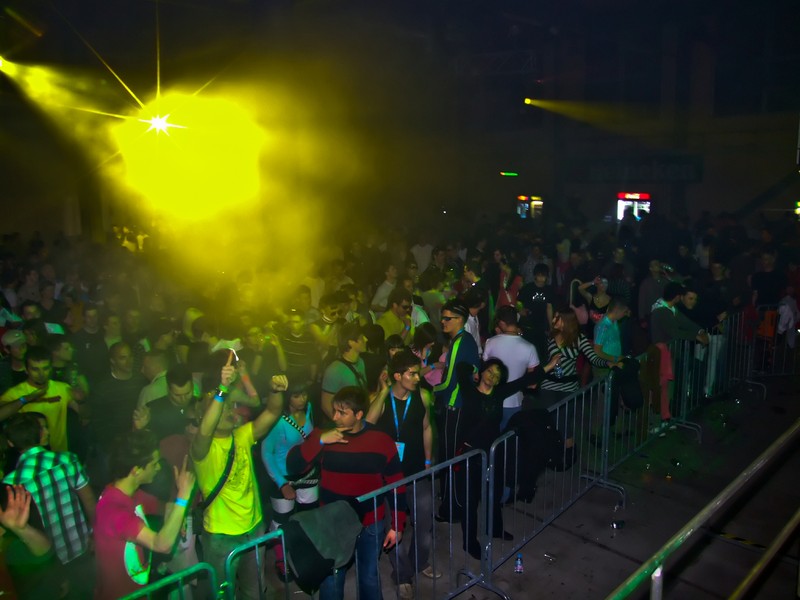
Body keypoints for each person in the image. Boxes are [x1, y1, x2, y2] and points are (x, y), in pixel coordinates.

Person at [287, 386, 407, 600]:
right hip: (332, 524)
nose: (335, 417)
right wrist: (320, 440)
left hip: (370, 523)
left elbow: (396, 484)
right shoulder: (324, 435)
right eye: (334, 411)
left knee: (369, 576)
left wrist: (397, 525)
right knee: (331, 580)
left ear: (359, 414)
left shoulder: (381, 440)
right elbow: (294, 466)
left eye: (342, 413)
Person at [191, 356, 285, 599]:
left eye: (228, 406)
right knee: (223, 594)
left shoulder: (242, 435)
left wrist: (275, 391)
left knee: (255, 591)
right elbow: (205, 430)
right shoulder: (202, 449)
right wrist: (221, 390)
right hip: (221, 536)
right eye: (220, 407)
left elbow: (273, 411)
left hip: (253, 528)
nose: (228, 410)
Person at [454, 356, 559, 558]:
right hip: (470, 455)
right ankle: (469, 541)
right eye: (490, 371)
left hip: (492, 453)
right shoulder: (469, 391)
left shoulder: (499, 394)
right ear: (482, 372)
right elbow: (460, 367)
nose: (492, 377)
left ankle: (495, 528)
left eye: (496, 375)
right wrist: (473, 369)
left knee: (493, 493)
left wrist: (548, 366)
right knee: (471, 499)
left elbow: (524, 381)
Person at [367, 350, 437, 597]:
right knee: (393, 527)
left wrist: (428, 460)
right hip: (388, 476)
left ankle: (419, 561)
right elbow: (367, 424)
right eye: (412, 374)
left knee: (425, 522)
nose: (418, 378)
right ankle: (402, 575)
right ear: (397, 376)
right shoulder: (382, 400)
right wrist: (383, 391)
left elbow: (426, 428)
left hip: (417, 472)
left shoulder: (423, 396)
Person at [3, 412, 96, 596]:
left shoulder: (11, 483)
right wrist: (95, 533)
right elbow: (89, 500)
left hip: (51, 562)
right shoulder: (67, 460)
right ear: (40, 433)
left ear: (10, 443)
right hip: (82, 546)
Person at [93, 431, 195, 600]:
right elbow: (161, 544)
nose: (158, 468)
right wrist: (183, 496)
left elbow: (159, 506)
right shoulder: (114, 511)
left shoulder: (127, 492)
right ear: (136, 471)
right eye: (154, 464)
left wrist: (176, 511)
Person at [261, 382, 319, 578]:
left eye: (304, 394)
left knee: (308, 517)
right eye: (296, 395)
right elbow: (266, 453)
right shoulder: (277, 420)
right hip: (282, 475)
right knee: (281, 521)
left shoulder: (309, 408)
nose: (302, 399)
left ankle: (305, 555)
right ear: (287, 398)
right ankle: (280, 559)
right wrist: (282, 484)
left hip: (307, 474)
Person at [432, 299, 480, 520]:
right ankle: (453, 503)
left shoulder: (461, 342)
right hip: (461, 406)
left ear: (460, 319)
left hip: (454, 407)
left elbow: (449, 380)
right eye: (442, 317)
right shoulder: (465, 339)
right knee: (454, 457)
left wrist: (431, 391)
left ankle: (450, 508)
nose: (443, 322)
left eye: (447, 318)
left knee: (449, 458)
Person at [0, 345, 75, 452]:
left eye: (45, 368)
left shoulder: (62, 388)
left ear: (51, 368)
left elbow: (85, 416)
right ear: (26, 370)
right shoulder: (15, 393)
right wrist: (27, 399)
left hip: (58, 454)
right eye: (35, 369)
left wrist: (82, 401)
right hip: (31, 455)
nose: (41, 374)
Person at [483, 305, 539, 430]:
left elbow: (485, 370)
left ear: (502, 323)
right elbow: (532, 383)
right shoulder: (529, 347)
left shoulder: (491, 342)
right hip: (515, 401)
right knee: (510, 437)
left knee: (491, 435)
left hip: (492, 399)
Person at [320, 322, 369, 420]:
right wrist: (342, 424)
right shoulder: (335, 370)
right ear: (351, 342)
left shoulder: (361, 362)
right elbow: (326, 405)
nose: (366, 339)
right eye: (361, 337)